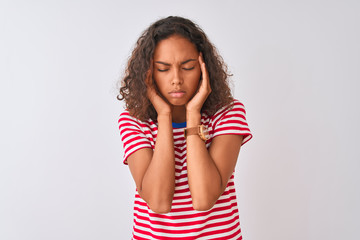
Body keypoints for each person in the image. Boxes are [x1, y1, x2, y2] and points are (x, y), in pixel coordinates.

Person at [117, 16, 252, 240]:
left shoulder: (228, 113)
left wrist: (192, 115)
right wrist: (164, 116)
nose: (176, 79)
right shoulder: (134, 121)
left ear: (203, 68)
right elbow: (159, 202)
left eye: (188, 67)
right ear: (148, 74)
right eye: (163, 69)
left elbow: (204, 198)